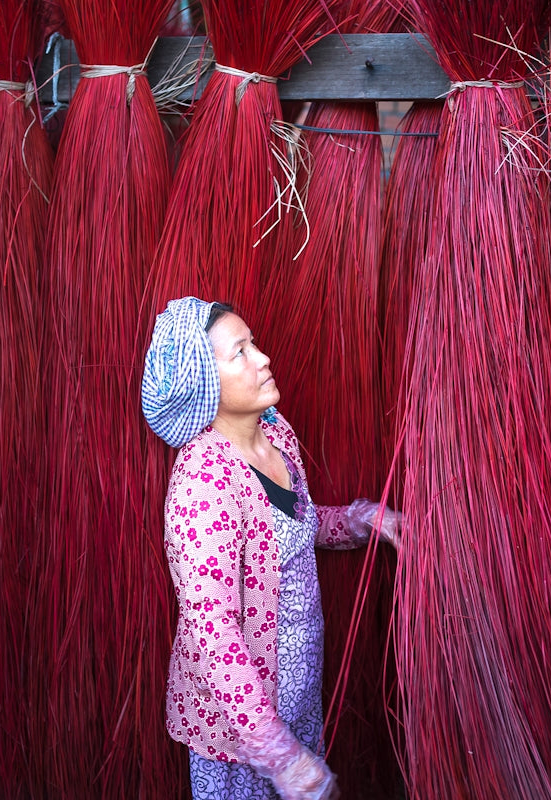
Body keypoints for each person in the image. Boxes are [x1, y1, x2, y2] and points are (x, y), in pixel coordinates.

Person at [141, 297, 399, 800]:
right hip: (244, 738)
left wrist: (363, 520)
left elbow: (293, 530)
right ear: (202, 382)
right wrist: (277, 752)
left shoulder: (278, 435)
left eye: (253, 343)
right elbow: (211, 631)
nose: (262, 358)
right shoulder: (203, 482)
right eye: (239, 352)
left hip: (297, 700)